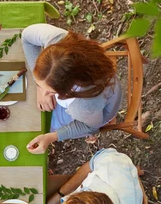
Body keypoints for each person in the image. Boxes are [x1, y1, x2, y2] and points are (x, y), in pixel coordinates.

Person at [21, 24, 122, 154]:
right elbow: (27, 36)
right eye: (43, 87)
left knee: (38, 124)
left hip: (99, 112)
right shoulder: (58, 44)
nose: (46, 94)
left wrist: (50, 137)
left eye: (51, 92)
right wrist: (40, 87)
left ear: (68, 90)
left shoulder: (82, 106)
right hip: (97, 90)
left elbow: (91, 126)